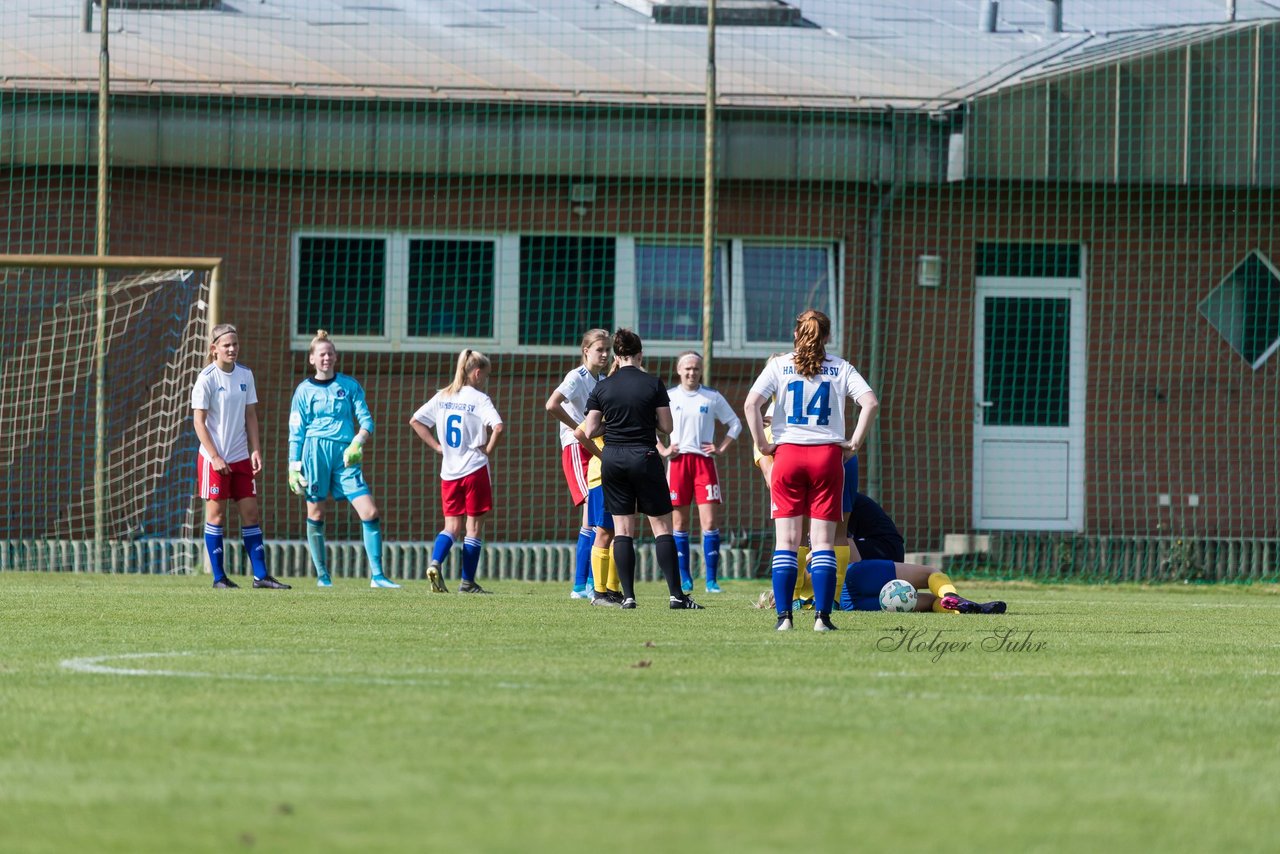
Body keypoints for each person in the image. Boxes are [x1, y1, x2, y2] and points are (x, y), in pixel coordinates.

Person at [744, 309, 879, 632]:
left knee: (786, 542)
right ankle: (822, 617)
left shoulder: (779, 365)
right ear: (828, 336)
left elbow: (751, 404)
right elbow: (870, 402)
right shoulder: (840, 367)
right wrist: (855, 442)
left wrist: (763, 444)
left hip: (788, 455)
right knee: (822, 542)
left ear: (796, 334)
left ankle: (784, 618)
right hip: (827, 457)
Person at [574, 328, 701, 610]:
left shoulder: (602, 386)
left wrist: (616, 424)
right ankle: (676, 596)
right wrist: (644, 420)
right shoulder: (653, 383)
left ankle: (628, 596)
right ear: (640, 354)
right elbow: (667, 427)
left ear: (616, 357)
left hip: (613, 460)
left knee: (622, 530)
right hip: (643, 456)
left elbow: (591, 429)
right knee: (661, 527)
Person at [286, 330, 399, 589]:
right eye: (321, 354)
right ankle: (323, 577)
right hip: (315, 454)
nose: (326, 358)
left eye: (330, 354)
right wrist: (294, 468)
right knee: (316, 512)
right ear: (312, 359)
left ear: (336, 357)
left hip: (346, 457)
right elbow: (296, 432)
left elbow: (367, 421)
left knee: (370, 511)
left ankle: (378, 576)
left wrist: (358, 442)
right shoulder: (303, 391)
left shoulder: (349, 387)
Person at [191, 323, 289, 589]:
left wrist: (255, 449)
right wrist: (215, 456)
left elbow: (250, 415)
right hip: (215, 459)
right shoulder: (207, 378)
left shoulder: (246, 374)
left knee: (251, 514)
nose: (232, 349)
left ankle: (261, 576)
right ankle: (219, 578)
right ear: (214, 350)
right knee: (217, 517)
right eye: (226, 345)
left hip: (240, 457)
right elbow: (198, 422)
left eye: (235, 344)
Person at [410, 349, 505, 594]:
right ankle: (467, 582)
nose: (484, 379)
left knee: (451, 526)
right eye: (484, 375)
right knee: (473, 528)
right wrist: (489, 449)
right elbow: (498, 426)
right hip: (474, 469)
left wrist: (437, 447)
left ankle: (435, 562)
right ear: (476, 373)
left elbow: (416, 421)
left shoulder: (443, 396)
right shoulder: (479, 399)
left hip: (449, 472)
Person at [658, 351, 741, 594]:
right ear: (678, 370)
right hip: (678, 464)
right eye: (687, 368)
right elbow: (648, 424)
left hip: (704, 464)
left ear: (701, 370)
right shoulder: (669, 397)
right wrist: (663, 449)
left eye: (696, 368)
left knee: (710, 522)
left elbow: (735, 423)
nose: (692, 372)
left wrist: (721, 447)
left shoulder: (711, 397)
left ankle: (711, 580)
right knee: (679, 522)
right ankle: (685, 579)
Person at [544, 330, 611, 600]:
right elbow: (552, 404)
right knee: (591, 514)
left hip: (594, 447)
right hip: (576, 447)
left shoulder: (604, 380)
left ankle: (587, 584)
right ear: (586, 350)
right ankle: (581, 585)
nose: (605, 354)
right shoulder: (577, 377)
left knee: (594, 516)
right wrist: (577, 429)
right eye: (599, 349)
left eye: (608, 349)